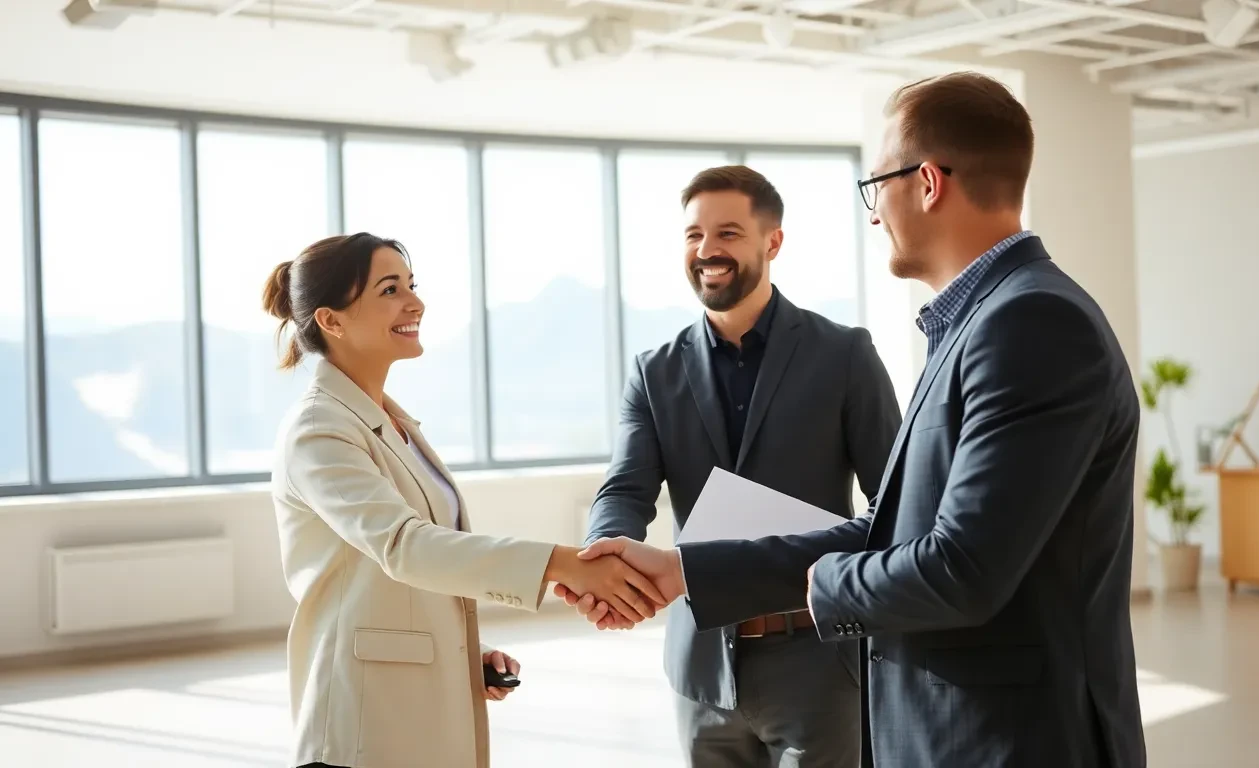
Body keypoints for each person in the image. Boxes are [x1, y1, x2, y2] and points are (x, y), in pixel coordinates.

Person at [580, 72, 1148, 768]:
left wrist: (821, 586)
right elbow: (897, 530)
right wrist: (683, 571)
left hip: (1006, 739)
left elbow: (961, 567)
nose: (873, 211)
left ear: (929, 183)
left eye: (876, 184)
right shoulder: (979, 324)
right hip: (941, 724)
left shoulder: (1028, 324)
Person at [264, 233, 666, 768]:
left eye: (411, 285)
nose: (415, 302)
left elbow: (398, 575)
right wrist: (567, 565)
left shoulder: (391, 422)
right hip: (359, 722)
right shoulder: (319, 429)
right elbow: (407, 546)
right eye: (389, 290)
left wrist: (461, 658)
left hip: (407, 702)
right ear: (332, 321)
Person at [555, 166, 902, 767]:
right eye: (693, 235)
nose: (707, 250)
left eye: (729, 233)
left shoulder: (845, 354)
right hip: (702, 666)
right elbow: (626, 489)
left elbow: (896, 503)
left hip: (818, 655)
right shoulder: (654, 370)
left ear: (773, 242)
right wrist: (604, 558)